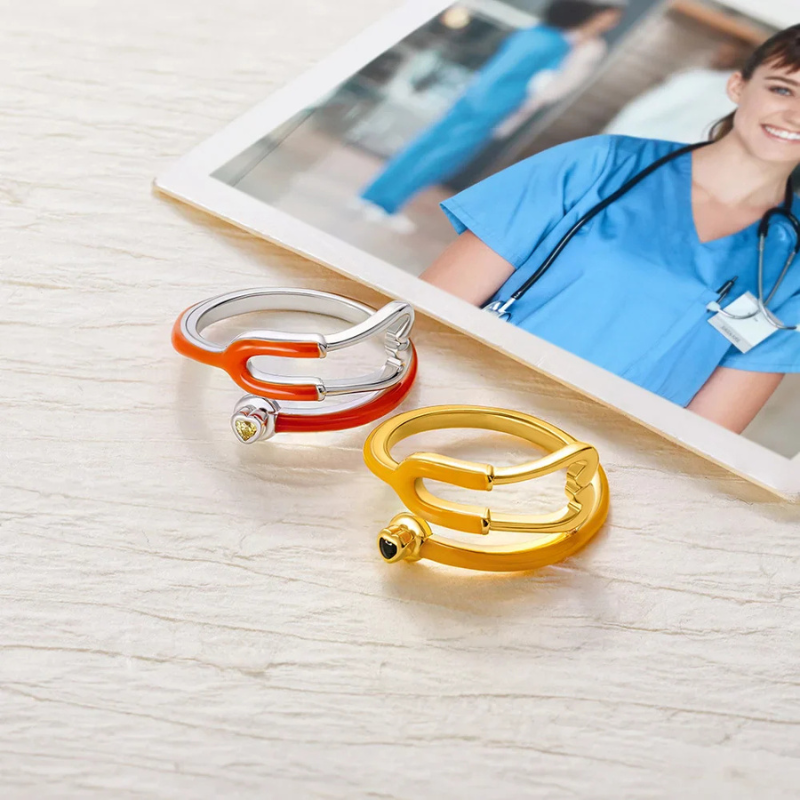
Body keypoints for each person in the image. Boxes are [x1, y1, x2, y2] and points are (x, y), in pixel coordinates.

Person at [420, 25, 800, 434]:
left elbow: (707, 435)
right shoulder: (599, 165)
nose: (795, 114)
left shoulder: (792, 257)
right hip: (456, 412)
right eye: (782, 89)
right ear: (738, 86)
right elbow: (429, 311)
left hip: (591, 470)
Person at [355, 0, 624, 229]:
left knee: (424, 146)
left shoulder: (532, 34)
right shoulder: (556, 45)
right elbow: (541, 85)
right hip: (492, 108)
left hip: (472, 98)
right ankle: (386, 204)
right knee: (439, 158)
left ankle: (372, 195)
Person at [603, 40, 750, 143]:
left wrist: (608, 138)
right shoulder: (743, 100)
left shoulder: (697, 79)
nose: (717, 56)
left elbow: (642, 110)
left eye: (725, 53)